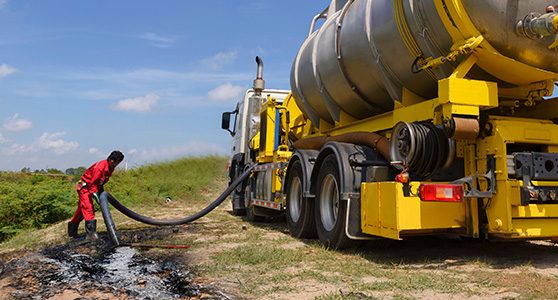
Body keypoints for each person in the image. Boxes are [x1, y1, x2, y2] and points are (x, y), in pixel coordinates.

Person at [67, 150, 124, 240]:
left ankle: (71, 232)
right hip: (85, 188)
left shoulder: (110, 167)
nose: (117, 165)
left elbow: (100, 183)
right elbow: (93, 184)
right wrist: (98, 198)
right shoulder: (100, 167)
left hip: (92, 187)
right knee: (88, 209)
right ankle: (91, 234)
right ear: (112, 160)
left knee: (82, 211)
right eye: (117, 162)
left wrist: (102, 195)